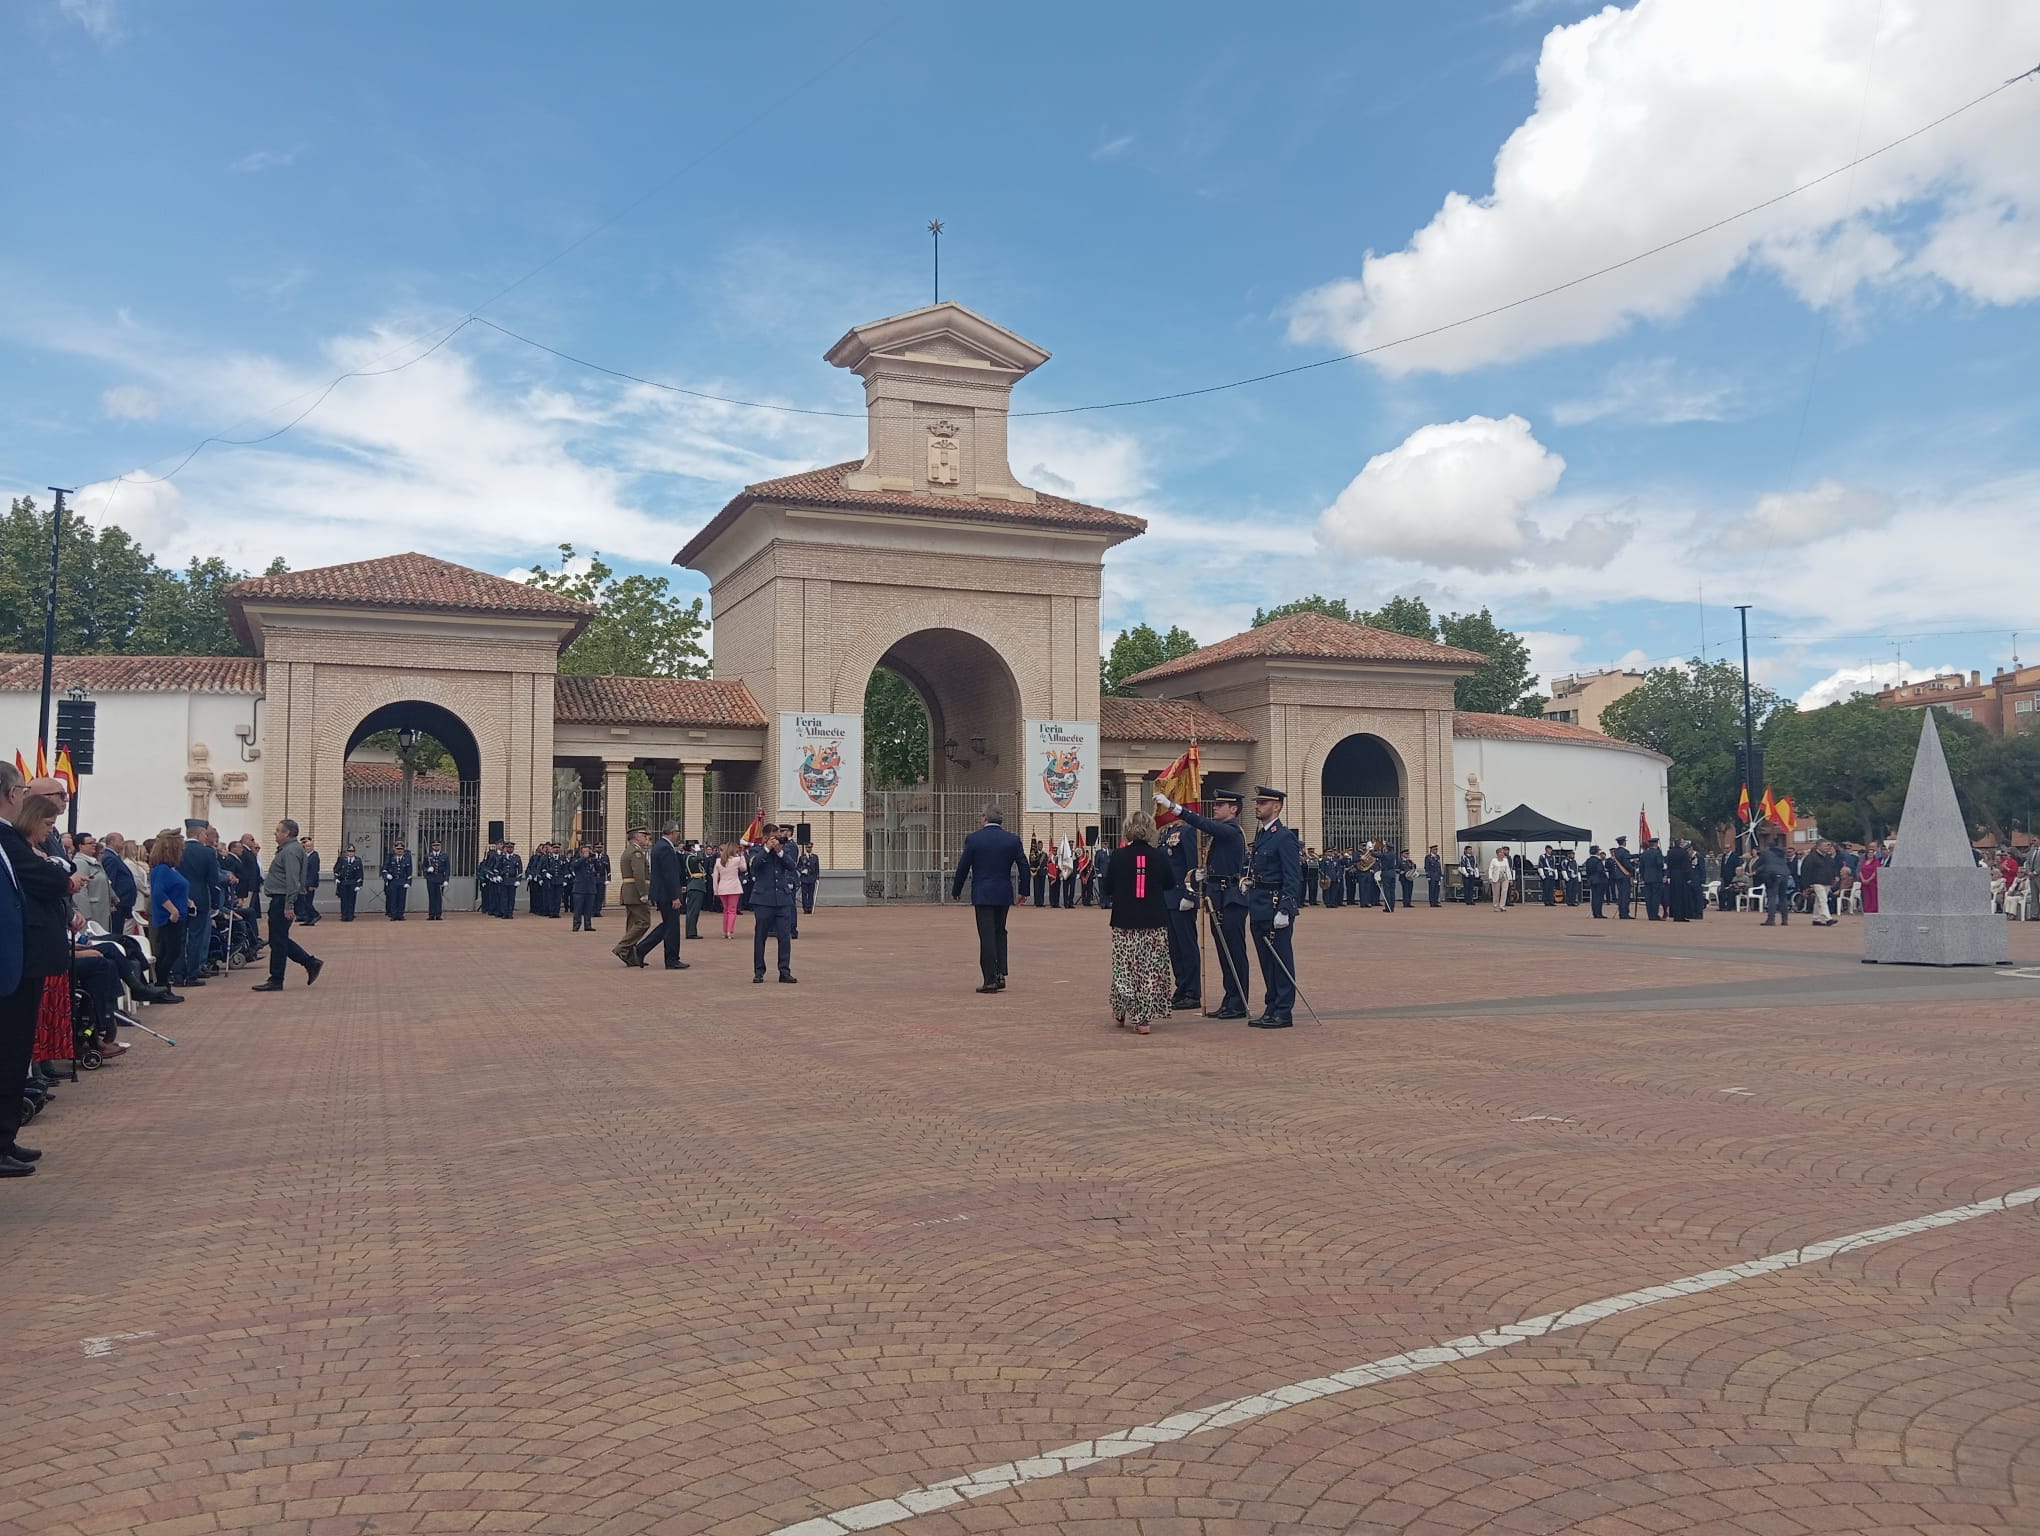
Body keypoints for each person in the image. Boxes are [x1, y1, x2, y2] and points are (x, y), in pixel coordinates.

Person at [0, 775, 72, 1176]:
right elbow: (44, 880)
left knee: (14, 1054)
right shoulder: (8, 840)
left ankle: (5, 1139)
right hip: (13, 962)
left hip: (20, 961)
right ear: (15, 795)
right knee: (9, 1054)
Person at [1156, 786, 1250, 1020]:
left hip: (1231, 899)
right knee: (1224, 953)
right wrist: (1202, 877)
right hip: (1217, 898)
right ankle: (1231, 999)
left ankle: (1238, 1001)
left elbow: (1204, 826)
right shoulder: (1221, 833)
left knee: (1233, 953)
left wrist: (1174, 808)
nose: (1215, 807)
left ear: (1233, 809)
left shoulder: (1232, 831)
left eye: (1220, 805)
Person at [1098, 811, 1178, 1035]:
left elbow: (1108, 888)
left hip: (1125, 921)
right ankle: (1142, 1019)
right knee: (1149, 970)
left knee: (1125, 968)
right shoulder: (1160, 856)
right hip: (1153, 921)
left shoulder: (1118, 856)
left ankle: (1122, 1009)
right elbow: (1170, 884)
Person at [951, 805, 1027, 994]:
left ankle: (990, 979)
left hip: (983, 893)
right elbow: (1024, 866)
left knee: (987, 935)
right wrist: (1024, 890)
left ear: (985, 818)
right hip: (1003, 893)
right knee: (1000, 931)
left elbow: (963, 866)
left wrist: (956, 889)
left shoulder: (974, 839)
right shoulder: (1012, 840)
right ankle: (1001, 973)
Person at [1241, 788, 1301, 1028]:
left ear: (1276, 807)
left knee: (1281, 960)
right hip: (1258, 905)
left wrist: (1286, 909)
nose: (1257, 806)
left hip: (1276, 906)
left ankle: (1283, 1011)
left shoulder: (1283, 836)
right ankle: (1271, 1006)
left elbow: (1292, 876)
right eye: (1257, 802)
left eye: (1263, 802)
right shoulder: (1263, 835)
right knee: (1266, 960)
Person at [250, 819, 324, 992]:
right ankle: (310, 963)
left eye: (278, 831)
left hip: (283, 899)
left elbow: (292, 879)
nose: (275, 833)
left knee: (278, 939)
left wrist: (289, 905)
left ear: (287, 833)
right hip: (282, 898)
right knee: (278, 938)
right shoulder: (290, 849)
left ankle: (277, 978)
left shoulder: (290, 851)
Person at [631, 824, 690, 970]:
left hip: (664, 893)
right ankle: (670, 959)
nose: (678, 834)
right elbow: (668, 874)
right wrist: (674, 896)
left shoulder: (661, 845)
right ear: (671, 832)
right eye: (677, 831)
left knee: (668, 926)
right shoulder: (665, 847)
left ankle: (641, 950)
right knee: (672, 927)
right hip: (667, 894)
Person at [748, 827, 800, 984]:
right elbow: (754, 865)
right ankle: (759, 971)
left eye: (778, 837)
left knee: (784, 937)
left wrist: (779, 852)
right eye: (774, 837)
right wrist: (767, 849)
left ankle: (784, 971)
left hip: (782, 900)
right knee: (760, 936)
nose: (777, 839)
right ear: (765, 838)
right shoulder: (756, 850)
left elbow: (792, 866)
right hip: (763, 900)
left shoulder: (783, 850)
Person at [1161, 819, 1201, 1012]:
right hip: (1168, 898)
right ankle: (1182, 987)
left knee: (1187, 946)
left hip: (1182, 898)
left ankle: (1192, 992)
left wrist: (1191, 894)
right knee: (1174, 948)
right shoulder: (1166, 831)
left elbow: (1193, 864)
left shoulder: (1188, 831)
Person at [614, 827, 653, 967]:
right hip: (636, 892)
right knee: (644, 922)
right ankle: (622, 948)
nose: (646, 838)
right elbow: (639, 875)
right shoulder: (636, 852)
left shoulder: (629, 850)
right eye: (644, 836)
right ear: (636, 836)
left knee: (632, 924)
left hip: (629, 892)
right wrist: (643, 893)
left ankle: (629, 955)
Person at [101, 831, 139, 934]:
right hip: (118, 901)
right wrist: (113, 899)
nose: (124, 842)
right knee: (116, 930)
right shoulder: (110, 858)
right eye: (121, 840)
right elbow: (110, 880)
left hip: (123, 901)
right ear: (112, 842)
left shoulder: (115, 857)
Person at [1800, 839, 1841, 927]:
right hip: (1816, 882)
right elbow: (1806, 871)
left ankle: (1816, 919)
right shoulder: (1811, 857)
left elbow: (1833, 867)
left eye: (1829, 845)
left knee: (1818, 901)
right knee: (1823, 900)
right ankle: (1828, 918)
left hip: (1827, 881)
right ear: (1819, 846)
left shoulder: (1828, 857)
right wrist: (1806, 885)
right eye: (1826, 845)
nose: (1828, 847)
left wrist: (1835, 876)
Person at [1755, 837, 1795, 926]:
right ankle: (1784, 920)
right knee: (1783, 897)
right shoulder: (1782, 854)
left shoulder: (1766, 853)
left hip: (1773, 875)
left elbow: (1759, 864)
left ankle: (1771, 919)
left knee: (1772, 897)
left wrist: (1757, 871)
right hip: (1785, 874)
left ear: (1768, 846)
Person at [712, 842, 745, 937]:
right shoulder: (737, 859)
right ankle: (729, 931)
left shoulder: (718, 861)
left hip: (722, 887)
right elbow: (743, 868)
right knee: (732, 910)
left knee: (725, 910)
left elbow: (715, 877)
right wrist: (742, 856)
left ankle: (725, 930)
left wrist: (715, 890)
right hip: (734, 888)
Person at [569, 842, 602, 931]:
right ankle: (576, 925)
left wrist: (594, 858)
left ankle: (588, 925)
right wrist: (583, 858)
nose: (588, 852)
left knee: (589, 908)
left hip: (590, 888)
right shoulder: (577, 859)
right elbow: (574, 866)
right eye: (586, 850)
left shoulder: (592, 860)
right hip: (579, 888)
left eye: (589, 850)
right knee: (578, 909)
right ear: (581, 851)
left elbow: (599, 869)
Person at [682, 839, 710, 939]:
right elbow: (700, 857)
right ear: (692, 847)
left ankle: (692, 931)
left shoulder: (692, 857)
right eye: (697, 846)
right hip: (695, 885)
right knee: (693, 911)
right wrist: (698, 850)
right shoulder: (689, 857)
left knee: (695, 911)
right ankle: (691, 933)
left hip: (698, 885)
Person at [382, 840, 412, 920]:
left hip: (402, 881)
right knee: (393, 898)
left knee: (402, 898)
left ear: (403, 850)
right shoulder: (391, 858)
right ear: (395, 849)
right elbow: (384, 869)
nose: (399, 850)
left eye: (401, 849)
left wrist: (408, 882)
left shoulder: (407, 859)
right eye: (398, 848)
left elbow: (409, 871)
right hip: (393, 881)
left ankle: (400, 914)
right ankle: (393, 915)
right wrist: (386, 876)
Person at [1639, 836, 1668, 920]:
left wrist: (1644, 876)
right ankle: (1654, 915)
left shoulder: (1644, 854)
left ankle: (1650, 915)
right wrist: (1663, 864)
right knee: (1656, 897)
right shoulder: (1657, 853)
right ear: (1656, 844)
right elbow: (1660, 864)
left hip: (1647, 878)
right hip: (1656, 878)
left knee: (1648, 897)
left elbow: (1641, 868)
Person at [334, 844, 364, 921]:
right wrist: (337, 878)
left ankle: (350, 915)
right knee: (344, 900)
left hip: (353, 882)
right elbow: (337, 869)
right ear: (346, 852)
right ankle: (344, 915)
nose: (351, 853)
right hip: (344, 882)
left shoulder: (358, 860)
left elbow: (360, 873)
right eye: (349, 851)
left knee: (351, 900)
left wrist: (359, 884)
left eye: (352, 851)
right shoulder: (342, 859)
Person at [1609, 836, 1637, 919]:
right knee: (1625, 895)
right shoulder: (1625, 852)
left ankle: (1621, 912)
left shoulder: (1616, 852)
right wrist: (1632, 870)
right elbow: (1627, 863)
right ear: (1624, 842)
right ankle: (1625, 913)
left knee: (1620, 895)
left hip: (1618, 875)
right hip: (1625, 875)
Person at [1666, 839, 1692, 922]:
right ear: (1681, 844)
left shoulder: (1670, 852)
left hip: (1673, 875)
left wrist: (1668, 875)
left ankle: (1674, 914)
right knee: (1682, 896)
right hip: (1681, 875)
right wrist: (1688, 877)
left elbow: (1668, 864)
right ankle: (1680, 916)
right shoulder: (1684, 853)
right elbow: (1686, 866)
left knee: (1674, 896)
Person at [423, 840, 449, 920]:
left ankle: (438, 914)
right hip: (431, 878)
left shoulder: (444, 856)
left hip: (440, 878)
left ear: (440, 846)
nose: (436, 847)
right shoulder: (427, 856)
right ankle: (431, 914)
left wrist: (446, 880)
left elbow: (447, 869)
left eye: (437, 845)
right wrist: (428, 869)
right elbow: (423, 867)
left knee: (439, 897)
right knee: (432, 896)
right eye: (434, 845)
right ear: (432, 846)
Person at [299, 836, 323, 926]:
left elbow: (314, 871)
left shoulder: (314, 856)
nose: (307, 848)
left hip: (309, 883)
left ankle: (315, 915)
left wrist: (313, 884)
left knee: (307, 902)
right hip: (304, 882)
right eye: (306, 846)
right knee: (304, 902)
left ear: (312, 847)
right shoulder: (305, 856)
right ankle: (308, 919)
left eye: (309, 846)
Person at [797, 842, 821, 915]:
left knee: (811, 894)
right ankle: (805, 908)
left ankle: (810, 908)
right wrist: (802, 871)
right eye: (807, 847)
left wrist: (817, 878)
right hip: (804, 878)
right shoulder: (802, 857)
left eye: (810, 847)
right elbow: (798, 866)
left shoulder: (815, 857)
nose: (808, 849)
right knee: (804, 894)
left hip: (812, 878)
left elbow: (817, 868)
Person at [1860, 843, 1882, 914]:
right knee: (1866, 896)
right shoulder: (1864, 862)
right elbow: (1860, 871)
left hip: (1872, 882)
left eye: (1872, 853)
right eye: (1869, 853)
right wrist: (1863, 879)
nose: (1870, 854)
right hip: (1864, 882)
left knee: (1873, 895)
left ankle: (1873, 908)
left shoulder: (1876, 862)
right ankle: (1867, 908)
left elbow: (1875, 872)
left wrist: (1869, 879)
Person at [1028, 838, 1047, 907]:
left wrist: (1045, 868)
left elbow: (1046, 863)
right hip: (1036, 872)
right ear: (1037, 846)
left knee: (1042, 888)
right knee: (1036, 888)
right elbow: (1031, 862)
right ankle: (1037, 902)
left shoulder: (1045, 854)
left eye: (1041, 845)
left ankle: (1041, 902)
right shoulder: (1034, 854)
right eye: (1039, 845)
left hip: (1042, 873)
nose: (1040, 846)